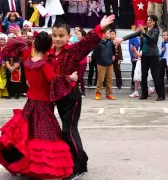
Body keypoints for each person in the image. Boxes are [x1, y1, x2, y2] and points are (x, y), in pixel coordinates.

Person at [0, 30, 76, 179]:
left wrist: (21, 37)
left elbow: (11, 46)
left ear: (34, 45)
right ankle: (41, 168)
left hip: (30, 103)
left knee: (29, 133)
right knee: (46, 135)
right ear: (48, 47)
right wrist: (71, 76)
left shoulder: (27, 60)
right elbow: (55, 81)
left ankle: (26, 164)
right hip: (43, 105)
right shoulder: (44, 65)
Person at [48, 15, 115, 179]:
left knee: (69, 130)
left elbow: (87, 42)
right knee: (58, 131)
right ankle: (72, 161)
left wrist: (100, 27)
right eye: (55, 35)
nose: (57, 39)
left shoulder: (73, 51)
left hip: (71, 96)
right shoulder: (48, 53)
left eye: (61, 35)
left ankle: (79, 165)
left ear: (68, 36)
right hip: (54, 96)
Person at [115, 15, 165, 101]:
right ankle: (144, 94)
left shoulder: (156, 30)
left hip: (153, 56)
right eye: (148, 20)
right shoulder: (144, 29)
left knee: (155, 75)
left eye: (150, 20)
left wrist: (144, 33)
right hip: (144, 55)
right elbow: (133, 34)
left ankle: (161, 95)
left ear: (154, 22)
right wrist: (122, 39)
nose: (148, 21)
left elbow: (152, 41)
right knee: (143, 75)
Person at [94, 29, 116, 100]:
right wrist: (98, 61)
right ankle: (98, 93)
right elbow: (95, 54)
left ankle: (109, 94)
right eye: (108, 33)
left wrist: (113, 55)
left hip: (110, 63)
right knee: (100, 80)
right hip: (101, 64)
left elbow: (113, 50)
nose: (110, 35)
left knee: (109, 79)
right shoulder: (98, 43)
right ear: (103, 34)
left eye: (110, 33)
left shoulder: (111, 42)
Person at [0, 33, 9, 98]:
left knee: (4, 77)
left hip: (4, 64)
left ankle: (5, 92)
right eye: (1, 39)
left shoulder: (7, 48)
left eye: (3, 40)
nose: (2, 41)